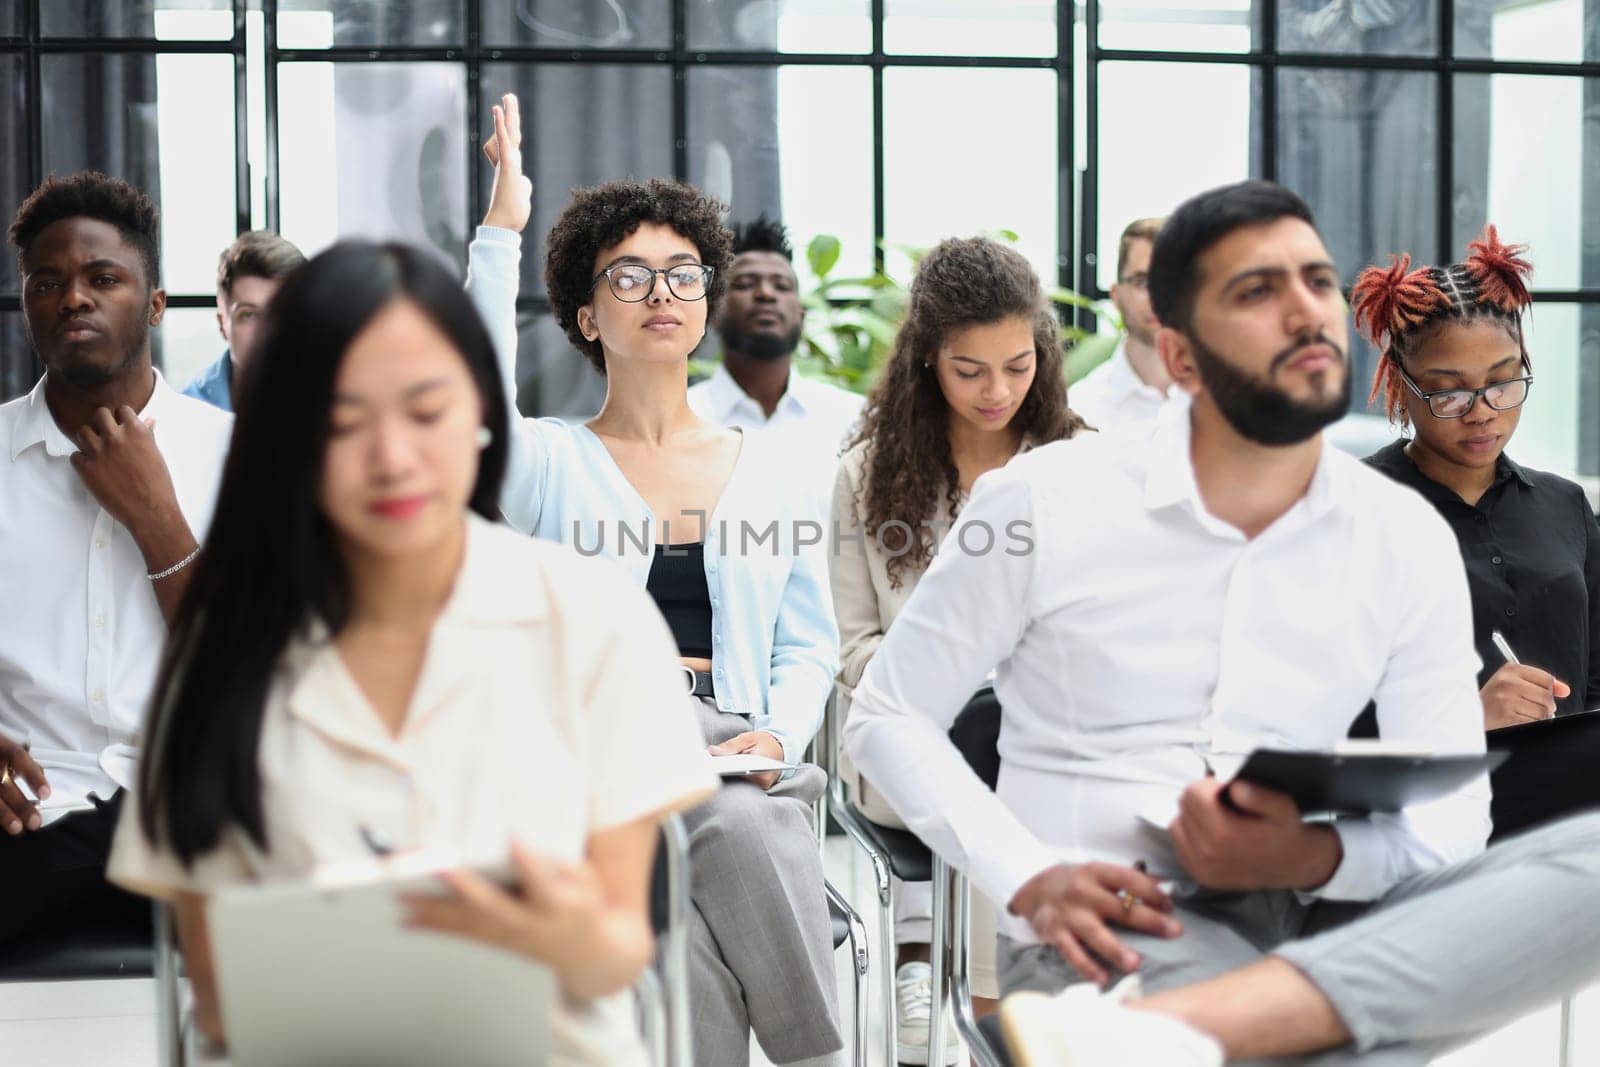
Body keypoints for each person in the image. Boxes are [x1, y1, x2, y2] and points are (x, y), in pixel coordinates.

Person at [845, 180, 1600, 1066]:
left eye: (1316, 281)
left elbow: (1454, 822)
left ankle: (1216, 1027)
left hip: (1343, 898)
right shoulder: (1043, 501)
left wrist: (1306, 855)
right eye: (1256, 290)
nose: (1304, 310)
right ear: (1181, 353)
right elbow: (886, 715)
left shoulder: (1400, 535)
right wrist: (1030, 877)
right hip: (1124, 912)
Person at [106, 235, 714, 1065]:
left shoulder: (594, 619)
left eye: (426, 412)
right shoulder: (224, 648)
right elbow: (216, 995)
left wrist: (568, 933)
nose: (392, 459)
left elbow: (620, 948)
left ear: (482, 419)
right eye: (344, 420)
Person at [483, 101, 844, 1066]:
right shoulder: (550, 462)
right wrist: (501, 232)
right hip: (598, 747)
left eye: (684, 274)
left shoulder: (770, 465)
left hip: (736, 744)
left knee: (682, 908)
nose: (662, 292)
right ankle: (823, 1053)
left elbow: (808, 643)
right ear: (585, 314)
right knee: (739, 828)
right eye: (630, 275)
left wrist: (780, 731)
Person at [829, 235, 1086, 1064]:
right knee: (989, 769)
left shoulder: (1079, 465)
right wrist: (942, 682)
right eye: (969, 369)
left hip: (1046, 734)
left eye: (1017, 366)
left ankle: (989, 1016)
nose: (997, 390)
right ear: (926, 361)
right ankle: (995, 1020)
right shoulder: (867, 478)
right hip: (914, 746)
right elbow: (853, 647)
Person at [0, 171, 232, 946]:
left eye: (104, 278)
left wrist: (158, 519)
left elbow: (255, 672)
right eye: (47, 283)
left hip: (197, 826)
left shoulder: (240, 456)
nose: (74, 299)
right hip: (26, 822)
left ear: (156, 302)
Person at [1353, 229, 1599, 728]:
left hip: (1567, 801)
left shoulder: (1566, 505)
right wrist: (1463, 720)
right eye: (1449, 393)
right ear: (1403, 386)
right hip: (1425, 803)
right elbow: (1310, 720)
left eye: (1503, 382)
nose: (1483, 412)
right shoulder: (1352, 512)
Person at [689, 214, 863, 520]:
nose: (766, 294)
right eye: (744, 284)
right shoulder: (683, 417)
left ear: (802, 314)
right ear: (712, 311)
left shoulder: (853, 419)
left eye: (781, 286)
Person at [1067, 217, 1172, 434]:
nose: (1159, 297)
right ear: (1116, 295)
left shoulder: (1227, 397)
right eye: (1142, 282)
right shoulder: (1081, 409)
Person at [183, 230, 307, 412]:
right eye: (249, 315)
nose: (267, 330)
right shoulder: (189, 410)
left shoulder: (336, 405)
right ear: (222, 323)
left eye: (282, 312)